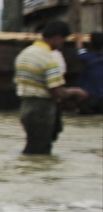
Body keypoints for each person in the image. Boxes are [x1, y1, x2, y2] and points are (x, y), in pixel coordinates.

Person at [14, 20, 85, 154]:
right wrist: (75, 91)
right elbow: (57, 92)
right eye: (62, 41)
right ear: (57, 38)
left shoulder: (25, 53)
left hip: (26, 107)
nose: (61, 45)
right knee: (41, 151)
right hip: (42, 109)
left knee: (32, 146)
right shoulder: (49, 59)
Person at [75, 31, 103, 115]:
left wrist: (78, 39)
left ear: (90, 44)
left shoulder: (87, 58)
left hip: (89, 97)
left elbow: (80, 50)